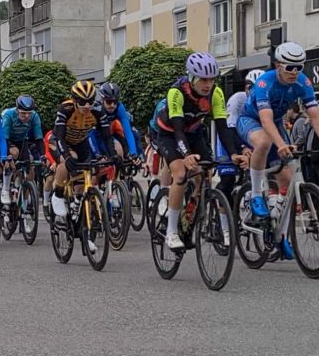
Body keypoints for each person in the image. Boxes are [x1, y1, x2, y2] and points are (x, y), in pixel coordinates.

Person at [150, 52, 247, 250]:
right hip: (170, 134)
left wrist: (233, 154)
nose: (208, 84)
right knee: (180, 173)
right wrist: (186, 156)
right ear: (192, 77)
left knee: (205, 174)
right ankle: (171, 232)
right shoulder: (176, 92)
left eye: (211, 79)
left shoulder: (216, 93)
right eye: (203, 79)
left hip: (194, 133)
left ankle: (191, 216)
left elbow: (222, 126)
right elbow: (177, 130)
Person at [236, 42, 319, 227]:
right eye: (290, 67)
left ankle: (280, 232)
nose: (294, 72)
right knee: (264, 142)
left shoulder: (303, 82)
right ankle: (256, 194)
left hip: (275, 122)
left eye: (299, 67)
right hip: (251, 120)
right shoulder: (265, 82)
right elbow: (265, 120)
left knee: (287, 180)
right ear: (278, 66)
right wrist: (281, 144)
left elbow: (315, 114)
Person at [49, 81, 119, 255]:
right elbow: (58, 136)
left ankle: (83, 228)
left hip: (80, 142)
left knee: (83, 182)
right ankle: (57, 195)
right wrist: (65, 156)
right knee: (69, 161)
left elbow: (106, 136)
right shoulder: (65, 109)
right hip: (60, 141)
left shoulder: (97, 110)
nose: (87, 105)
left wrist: (113, 156)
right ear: (74, 100)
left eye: (90, 101)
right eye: (82, 102)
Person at [214, 70, 263, 221]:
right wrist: (242, 148)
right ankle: (224, 226)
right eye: (251, 89)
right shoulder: (238, 99)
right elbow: (229, 129)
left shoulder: (266, 100)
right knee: (227, 182)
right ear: (246, 89)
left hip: (250, 138)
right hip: (230, 138)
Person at [0, 95, 45, 203]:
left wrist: (43, 156)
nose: (26, 116)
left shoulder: (34, 116)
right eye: (23, 113)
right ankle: (5, 188)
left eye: (29, 113)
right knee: (14, 154)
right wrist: (7, 157)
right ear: (17, 110)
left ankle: (24, 195)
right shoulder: (9, 115)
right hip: (7, 139)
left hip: (22, 140)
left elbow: (39, 138)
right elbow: (4, 138)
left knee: (29, 164)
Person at [95, 82, 139, 162]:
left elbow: (127, 131)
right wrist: (97, 153)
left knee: (121, 152)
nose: (112, 105)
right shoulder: (97, 109)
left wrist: (133, 153)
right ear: (102, 100)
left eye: (115, 102)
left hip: (109, 134)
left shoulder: (120, 107)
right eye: (108, 102)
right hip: (97, 135)